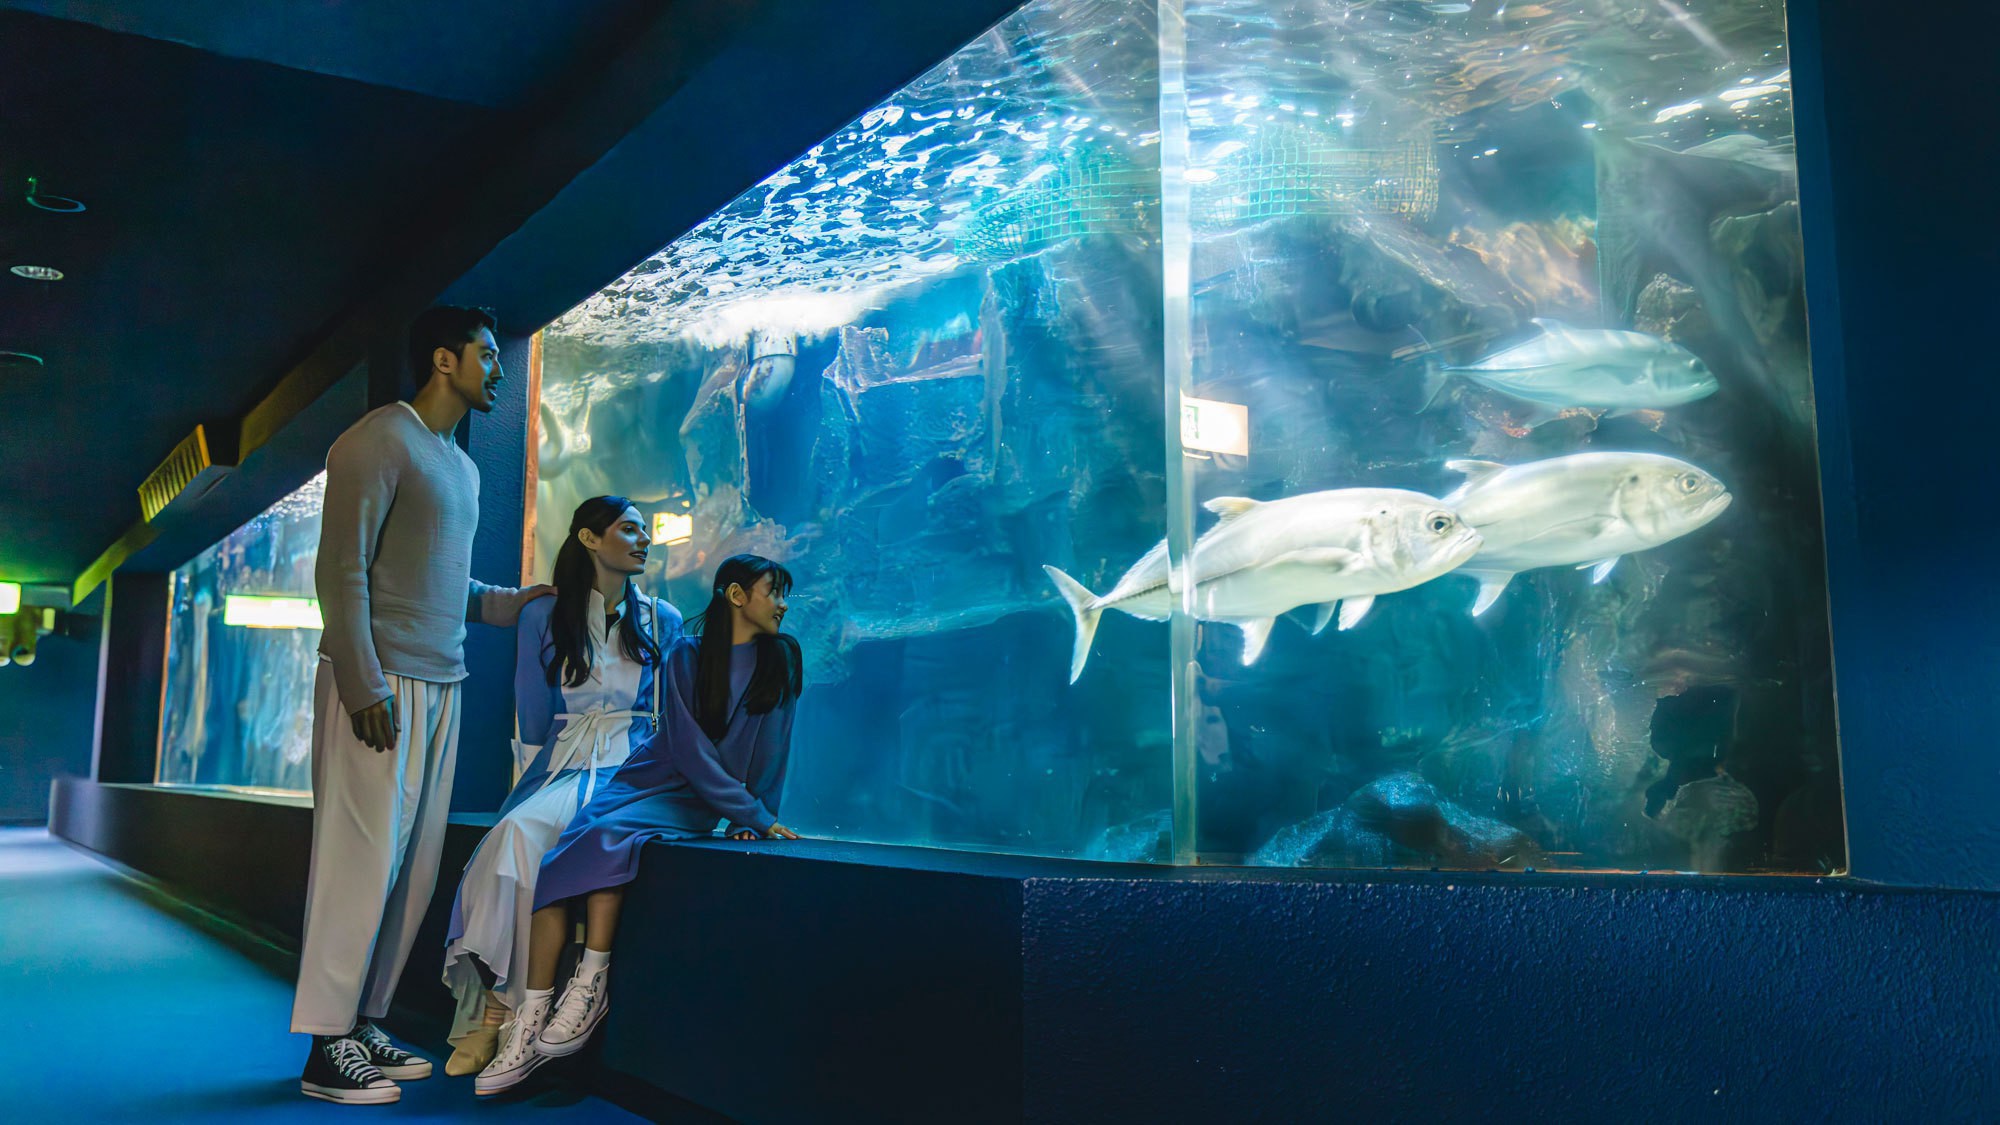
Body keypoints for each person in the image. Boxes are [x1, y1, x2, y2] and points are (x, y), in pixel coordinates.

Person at [293, 306, 553, 1105]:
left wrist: (514, 603)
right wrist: (364, 682)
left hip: (444, 685)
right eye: (486, 355)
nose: (498, 369)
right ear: (444, 360)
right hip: (376, 684)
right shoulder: (377, 439)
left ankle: (366, 1018)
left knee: (411, 869)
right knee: (360, 861)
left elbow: (443, 584)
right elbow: (342, 573)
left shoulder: (462, 467)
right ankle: (324, 1046)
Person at [476, 554, 804, 1096]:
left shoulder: (781, 658)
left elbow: (775, 747)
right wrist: (750, 811)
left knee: (608, 839)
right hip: (649, 779)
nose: (783, 604)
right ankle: (530, 1021)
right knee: (561, 853)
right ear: (737, 595)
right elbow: (685, 747)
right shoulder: (686, 652)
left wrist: (757, 815)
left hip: (697, 799)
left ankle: (590, 983)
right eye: (774, 592)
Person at [440, 496, 682, 1077]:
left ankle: (509, 1016)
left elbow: (671, 713)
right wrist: (525, 788)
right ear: (589, 538)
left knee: (567, 839)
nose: (644, 539)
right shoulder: (541, 616)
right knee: (515, 838)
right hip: (562, 760)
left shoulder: (664, 618)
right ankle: (498, 1012)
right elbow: (531, 709)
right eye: (629, 529)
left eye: (646, 530)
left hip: (633, 766)